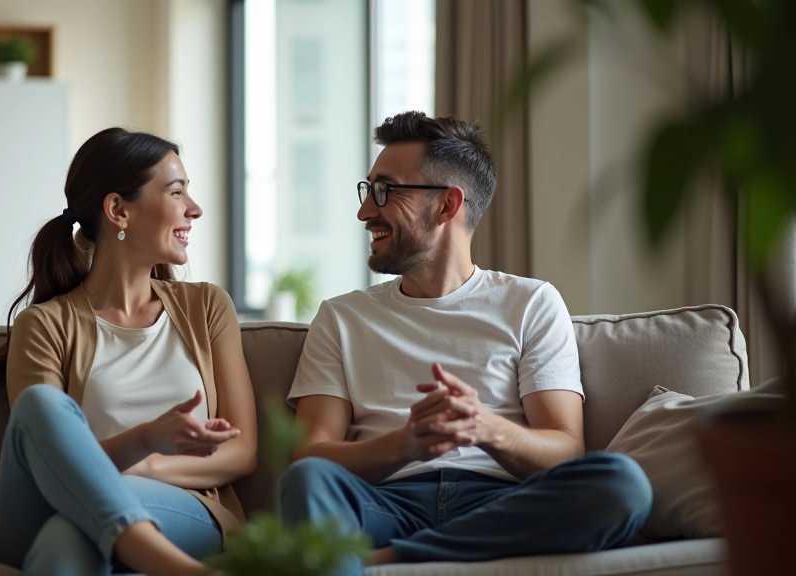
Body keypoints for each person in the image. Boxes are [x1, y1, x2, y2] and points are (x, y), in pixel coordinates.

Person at [279, 111, 652, 573]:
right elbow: (312, 454)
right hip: (383, 504)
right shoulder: (342, 316)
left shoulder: (531, 302)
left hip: (501, 502)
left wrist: (485, 427)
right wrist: (405, 444)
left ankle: (395, 559)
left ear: (447, 205)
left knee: (622, 484)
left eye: (383, 191)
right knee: (306, 480)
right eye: (366, 189)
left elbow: (565, 450)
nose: (364, 211)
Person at [0, 127, 257, 576]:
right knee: (40, 405)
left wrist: (142, 468)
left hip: (178, 510)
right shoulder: (45, 325)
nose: (195, 209)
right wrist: (144, 438)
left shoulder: (207, 307)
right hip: (39, 511)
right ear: (118, 210)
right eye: (177, 192)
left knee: (68, 536)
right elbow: (41, 460)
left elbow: (242, 453)